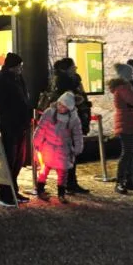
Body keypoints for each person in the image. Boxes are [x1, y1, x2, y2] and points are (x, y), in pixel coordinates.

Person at [0, 53, 32, 206]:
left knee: (18, 160)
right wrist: (14, 115)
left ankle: (14, 191)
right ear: (12, 66)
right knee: (9, 159)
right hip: (10, 126)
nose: (21, 69)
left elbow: (23, 97)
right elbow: (1, 104)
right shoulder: (1, 80)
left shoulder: (17, 78)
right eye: (19, 66)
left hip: (21, 125)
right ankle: (5, 194)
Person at [50, 57, 91, 194]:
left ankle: (69, 182)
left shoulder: (67, 80)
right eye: (73, 67)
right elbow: (74, 100)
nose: (75, 69)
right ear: (67, 68)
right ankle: (68, 183)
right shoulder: (65, 82)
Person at [33, 91, 83, 204]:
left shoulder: (73, 118)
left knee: (62, 172)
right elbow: (41, 128)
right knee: (44, 169)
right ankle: (40, 190)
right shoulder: (49, 112)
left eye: (64, 106)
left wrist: (78, 147)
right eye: (60, 104)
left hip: (63, 148)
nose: (61, 107)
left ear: (69, 108)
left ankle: (61, 194)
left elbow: (77, 134)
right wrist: (37, 142)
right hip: (48, 147)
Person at [112, 64, 133, 194]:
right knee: (127, 153)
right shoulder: (123, 88)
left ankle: (129, 180)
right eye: (130, 73)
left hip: (130, 121)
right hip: (126, 122)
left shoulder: (126, 87)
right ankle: (120, 181)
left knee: (131, 153)